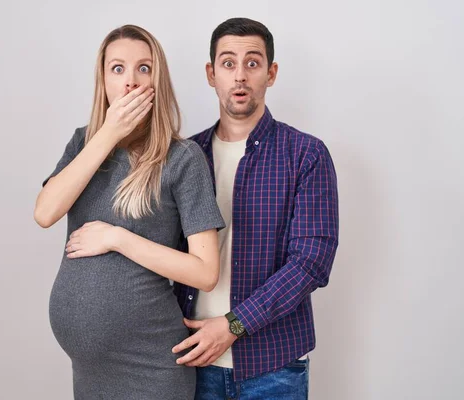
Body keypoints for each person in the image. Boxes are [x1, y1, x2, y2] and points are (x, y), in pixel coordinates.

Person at [34, 24, 225, 400]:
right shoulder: (82, 143)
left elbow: (205, 272)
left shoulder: (182, 158)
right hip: (91, 370)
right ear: (103, 79)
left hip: (150, 364)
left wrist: (117, 238)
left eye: (144, 68)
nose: (131, 82)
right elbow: (45, 212)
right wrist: (108, 133)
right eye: (117, 68)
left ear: (158, 79)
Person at [171, 18, 339, 400]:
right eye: (228, 63)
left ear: (271, 73)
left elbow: (311, 262)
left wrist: (233, 325)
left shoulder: (306, 155)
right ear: (212, 74)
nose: (240, 76)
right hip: (192, 359)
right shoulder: (184, 157)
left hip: (274, 365)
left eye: (253, 62)